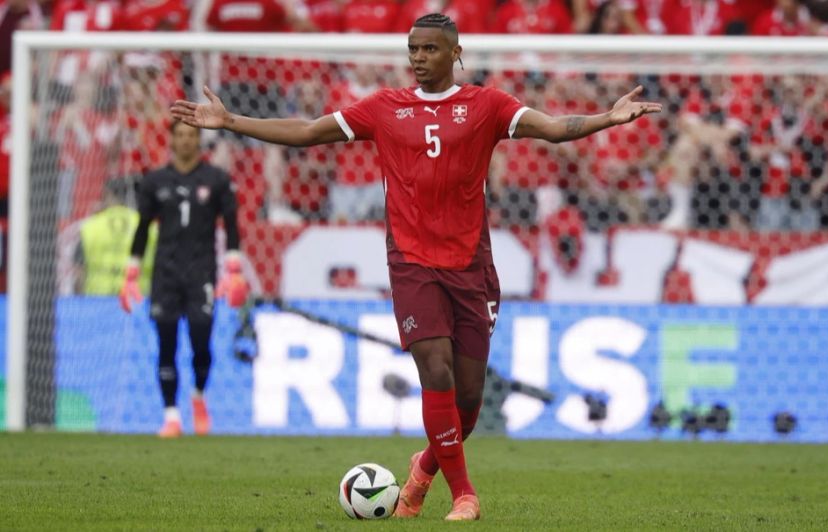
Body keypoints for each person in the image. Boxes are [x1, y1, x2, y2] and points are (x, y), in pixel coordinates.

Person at [170, 13, 661, 520]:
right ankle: (465, 495)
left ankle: (423, 473)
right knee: (436, 369)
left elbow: (554, 129)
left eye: (429, 49)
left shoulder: (486, 104)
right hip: (410, 262)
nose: (419, 58)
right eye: (414, 49)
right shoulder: (386, 108)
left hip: (471, 266)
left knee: (468, 401)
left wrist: (607, 118)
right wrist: (231, 123)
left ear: (455, 52)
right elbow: (307, 131)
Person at [119, 120, 249, 438]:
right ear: (172, 141)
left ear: (198, 140)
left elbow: (231, 225)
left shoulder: (216, 180)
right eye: (180, 135)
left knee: (201, 342)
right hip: (166, 273)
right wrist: (131, 272)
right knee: (166, 343)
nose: (186, 140)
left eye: (191, 135)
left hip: (202, 273)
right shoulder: (154, 181)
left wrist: (233, 269)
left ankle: (199, 397)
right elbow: (143, 227)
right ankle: (171, 416)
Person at [75, 179, 156, 295]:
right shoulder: (147, 226)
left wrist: (79, 301)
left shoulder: (91, 226)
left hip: (98, 299)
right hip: (137, 299)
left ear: (108, 194)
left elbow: (79, 272)